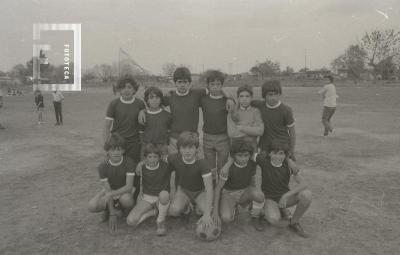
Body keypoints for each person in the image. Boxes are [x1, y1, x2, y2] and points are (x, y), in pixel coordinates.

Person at [254, 140, 312, 238]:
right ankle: (264, 211)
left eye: (281, 154)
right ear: (269, 153)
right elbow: (250, 153)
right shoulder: (264, 161)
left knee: (307, 195)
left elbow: (304, 183)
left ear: (285, 155)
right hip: (270, 198)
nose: (278, 157)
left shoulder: (288, 165)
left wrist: (286, 195)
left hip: (284, 198)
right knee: (273, 219)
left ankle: (294, 222)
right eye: (274, 153)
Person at [103, 75, 145, 203]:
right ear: (119, 90)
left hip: (133, 145)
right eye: (123, 87)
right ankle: (113, 202)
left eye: (129, 87)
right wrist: (107, 147)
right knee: (116, 172)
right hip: (117, 144)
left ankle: (132, 202)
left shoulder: (139, 103)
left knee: (134, 173)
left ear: (134, 89)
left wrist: (143, 110)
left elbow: (143, 121)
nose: (126, 90)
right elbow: (106, 127)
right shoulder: (114, 104)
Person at [213, 140, 265, 231]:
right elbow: (218, 189)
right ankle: (232, 207)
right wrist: (215, 212)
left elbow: (253, 179)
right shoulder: (227, 169)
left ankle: (255, 216)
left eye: (246, 155)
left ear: (250, 155)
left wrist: (254, 197)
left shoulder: (252, 163)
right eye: (240, 156)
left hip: (244, 192)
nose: (243, 158)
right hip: (229, 193)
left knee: (259, 195)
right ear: (234, 156)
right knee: (226, 218)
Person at [88, 133, 135, 233]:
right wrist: (112, 214)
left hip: (123, 192)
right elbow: (108, 190)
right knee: (92, 206)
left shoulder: (129, 162)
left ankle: (120, 209)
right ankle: (110, 210)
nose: (116, 153)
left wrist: (111, 193)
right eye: (113, 150)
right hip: (110, 192)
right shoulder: (102, 166)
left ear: (123, 150)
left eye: (119, 149)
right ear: (108, 151)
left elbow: (129, 187)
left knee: (127, 200)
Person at [168, 131, 214, 228]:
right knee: (173, 211)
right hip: (184, 190)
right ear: (179, 149)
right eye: (184, 148)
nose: (187, 151)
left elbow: (209, 189)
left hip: (200, 192)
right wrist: (142, 164)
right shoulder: (175, 158)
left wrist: (207, 214)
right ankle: (186, 206)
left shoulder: (203, 164)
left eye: (190, 148)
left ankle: (198, 207)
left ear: (196, 148)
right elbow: (161, 158)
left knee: (206, 210)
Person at [127, 144, 172, 236]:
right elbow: (137, 184)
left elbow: (176, 163)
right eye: (149, 157)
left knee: (164, 194)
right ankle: (153, 212)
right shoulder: (141, 167)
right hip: (147, 198)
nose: (152, 159)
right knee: (131, 221)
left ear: (159, 157)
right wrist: (140, 163)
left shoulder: (166, 166)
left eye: (155, 157)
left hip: (161, 198)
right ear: (145, 158)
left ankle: (160, 221)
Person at [251, 80, 296, 160]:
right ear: (264, 96)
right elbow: (243, 101)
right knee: (266, 170)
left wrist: (291, 151)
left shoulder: (286, 110)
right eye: (270, 95)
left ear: (280, 94)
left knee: (282, 170)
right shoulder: (259, 105)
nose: (273, 98)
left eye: (276, 94)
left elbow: (292, 132)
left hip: (281, 146)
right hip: (264, 147)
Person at [200, 70, 230, 182]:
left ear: (222, 86)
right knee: (210, 168)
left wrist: (229, 97)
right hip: (208, 137)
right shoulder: (203, 99)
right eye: (212, 84)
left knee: (222, 168)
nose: (215, 87)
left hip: (223, 138)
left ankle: (221, 192)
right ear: (207, 85)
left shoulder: (227, 100)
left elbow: (235, 106)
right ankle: (211, 190)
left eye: (218, 84)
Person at [227, 84, 264, 152]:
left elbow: (260, 131)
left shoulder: (256, 111)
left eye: (247, 96)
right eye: (241, 96)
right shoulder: (232, 112)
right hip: (237, 149)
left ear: (251, 97)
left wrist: (241, 128)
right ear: (238, 98)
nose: (244, 99)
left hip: (252, 148)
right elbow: (232, 133)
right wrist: (251, 131)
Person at [139, 86, 171, 161]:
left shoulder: (167, 115)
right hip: (147, 147)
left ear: (161, 99)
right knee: (147, 169)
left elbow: (169, 132)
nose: (154, 100)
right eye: (151, 98)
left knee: (163, 168)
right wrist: (144, 146)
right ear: (147, 100)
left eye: (157, 97)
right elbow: (141, 133)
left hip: (162, 147)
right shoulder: (143, 116)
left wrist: (166, 145)